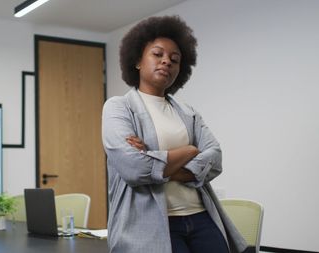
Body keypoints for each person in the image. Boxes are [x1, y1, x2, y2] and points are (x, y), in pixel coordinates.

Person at [102, 16, 247, 253]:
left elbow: (215, 158)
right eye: (157, 55)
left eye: (174, 59)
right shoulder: (118, 108)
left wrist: (152, 156)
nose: (166, 61)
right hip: (149, 224)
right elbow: (133, 168)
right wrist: (189, 151)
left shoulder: (188, 113)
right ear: (138, 60)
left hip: (201, 217)